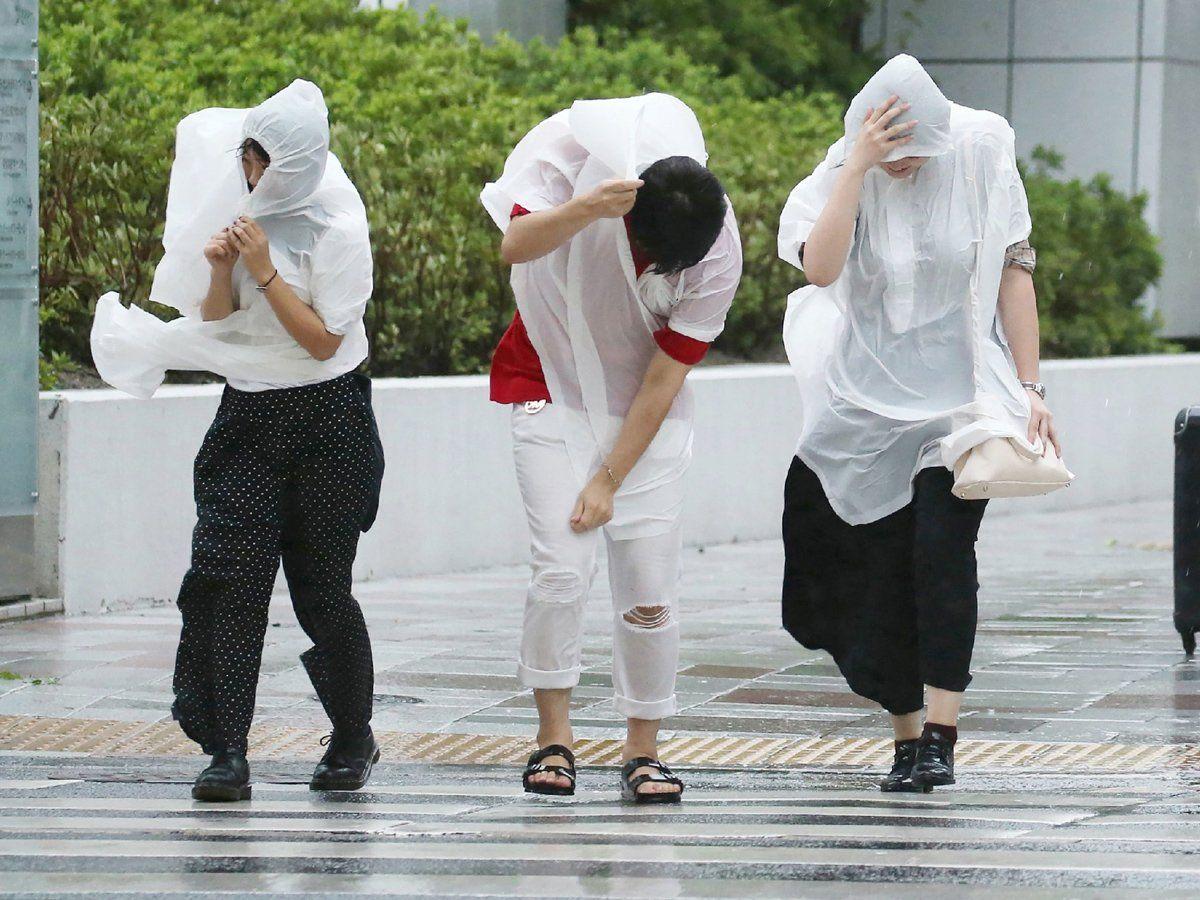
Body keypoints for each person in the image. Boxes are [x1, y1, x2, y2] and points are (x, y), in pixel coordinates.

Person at [91, 80, 385, 801]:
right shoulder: (241, 213)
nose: (246, 173)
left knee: (322, 590)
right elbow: (217, 322)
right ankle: (226, 749)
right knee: (226, 579)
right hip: (249, 419)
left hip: (330, 419)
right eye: (244, 159)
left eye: (256, 161)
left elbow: (321, 343)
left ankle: (353, 735)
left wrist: (263, 268)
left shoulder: (339, 226)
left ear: (286, 164)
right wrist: (222, 268)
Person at [777, 55, 1060, 792]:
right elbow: (819, 269)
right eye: (890, 156)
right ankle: (903, 729)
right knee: (867, 576)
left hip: (961, 401)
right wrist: (856, 168)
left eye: (912, 156)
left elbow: (1013, 268)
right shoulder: (847, 170)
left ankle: (941, 735)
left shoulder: (982, 149)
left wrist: (1028, 385)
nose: (904, 168)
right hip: (863, 406)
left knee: (941, 557)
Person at [481, 93, 742, 803]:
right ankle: (553, 740)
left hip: (641, 415)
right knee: (561, 573)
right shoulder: (572, 170)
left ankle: (642, 750)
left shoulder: (712, 238)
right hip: (547, 384)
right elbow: (514, 245)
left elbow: (664, 376)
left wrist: (607, 477)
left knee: (649, 587)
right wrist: (585, 213)